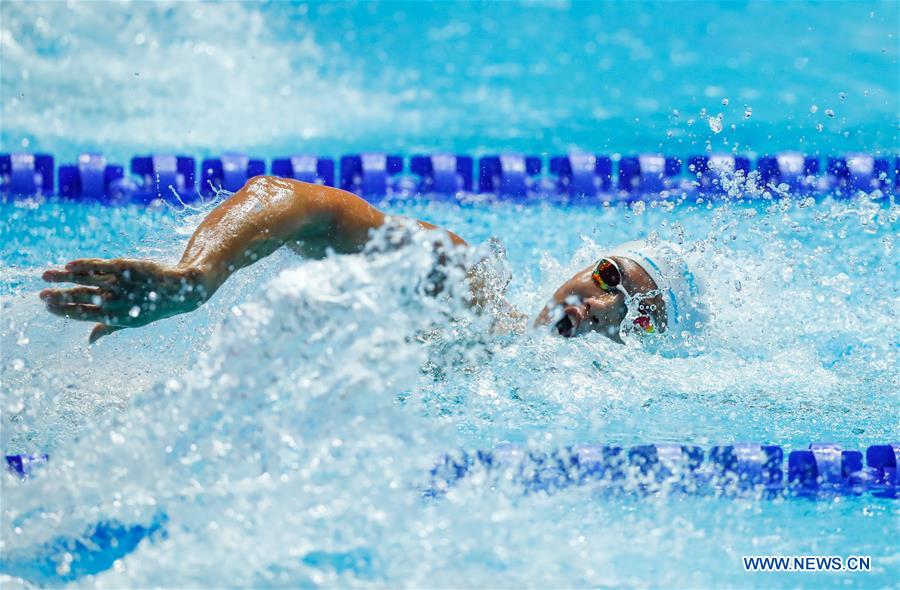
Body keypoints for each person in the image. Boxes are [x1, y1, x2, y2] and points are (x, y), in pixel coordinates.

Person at [40, 176, 705, 343]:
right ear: (586, 267)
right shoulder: (465, 287)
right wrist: (197, 278)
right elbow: (292, 200)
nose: (601, 307)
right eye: (611, 278)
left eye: (641, 318)